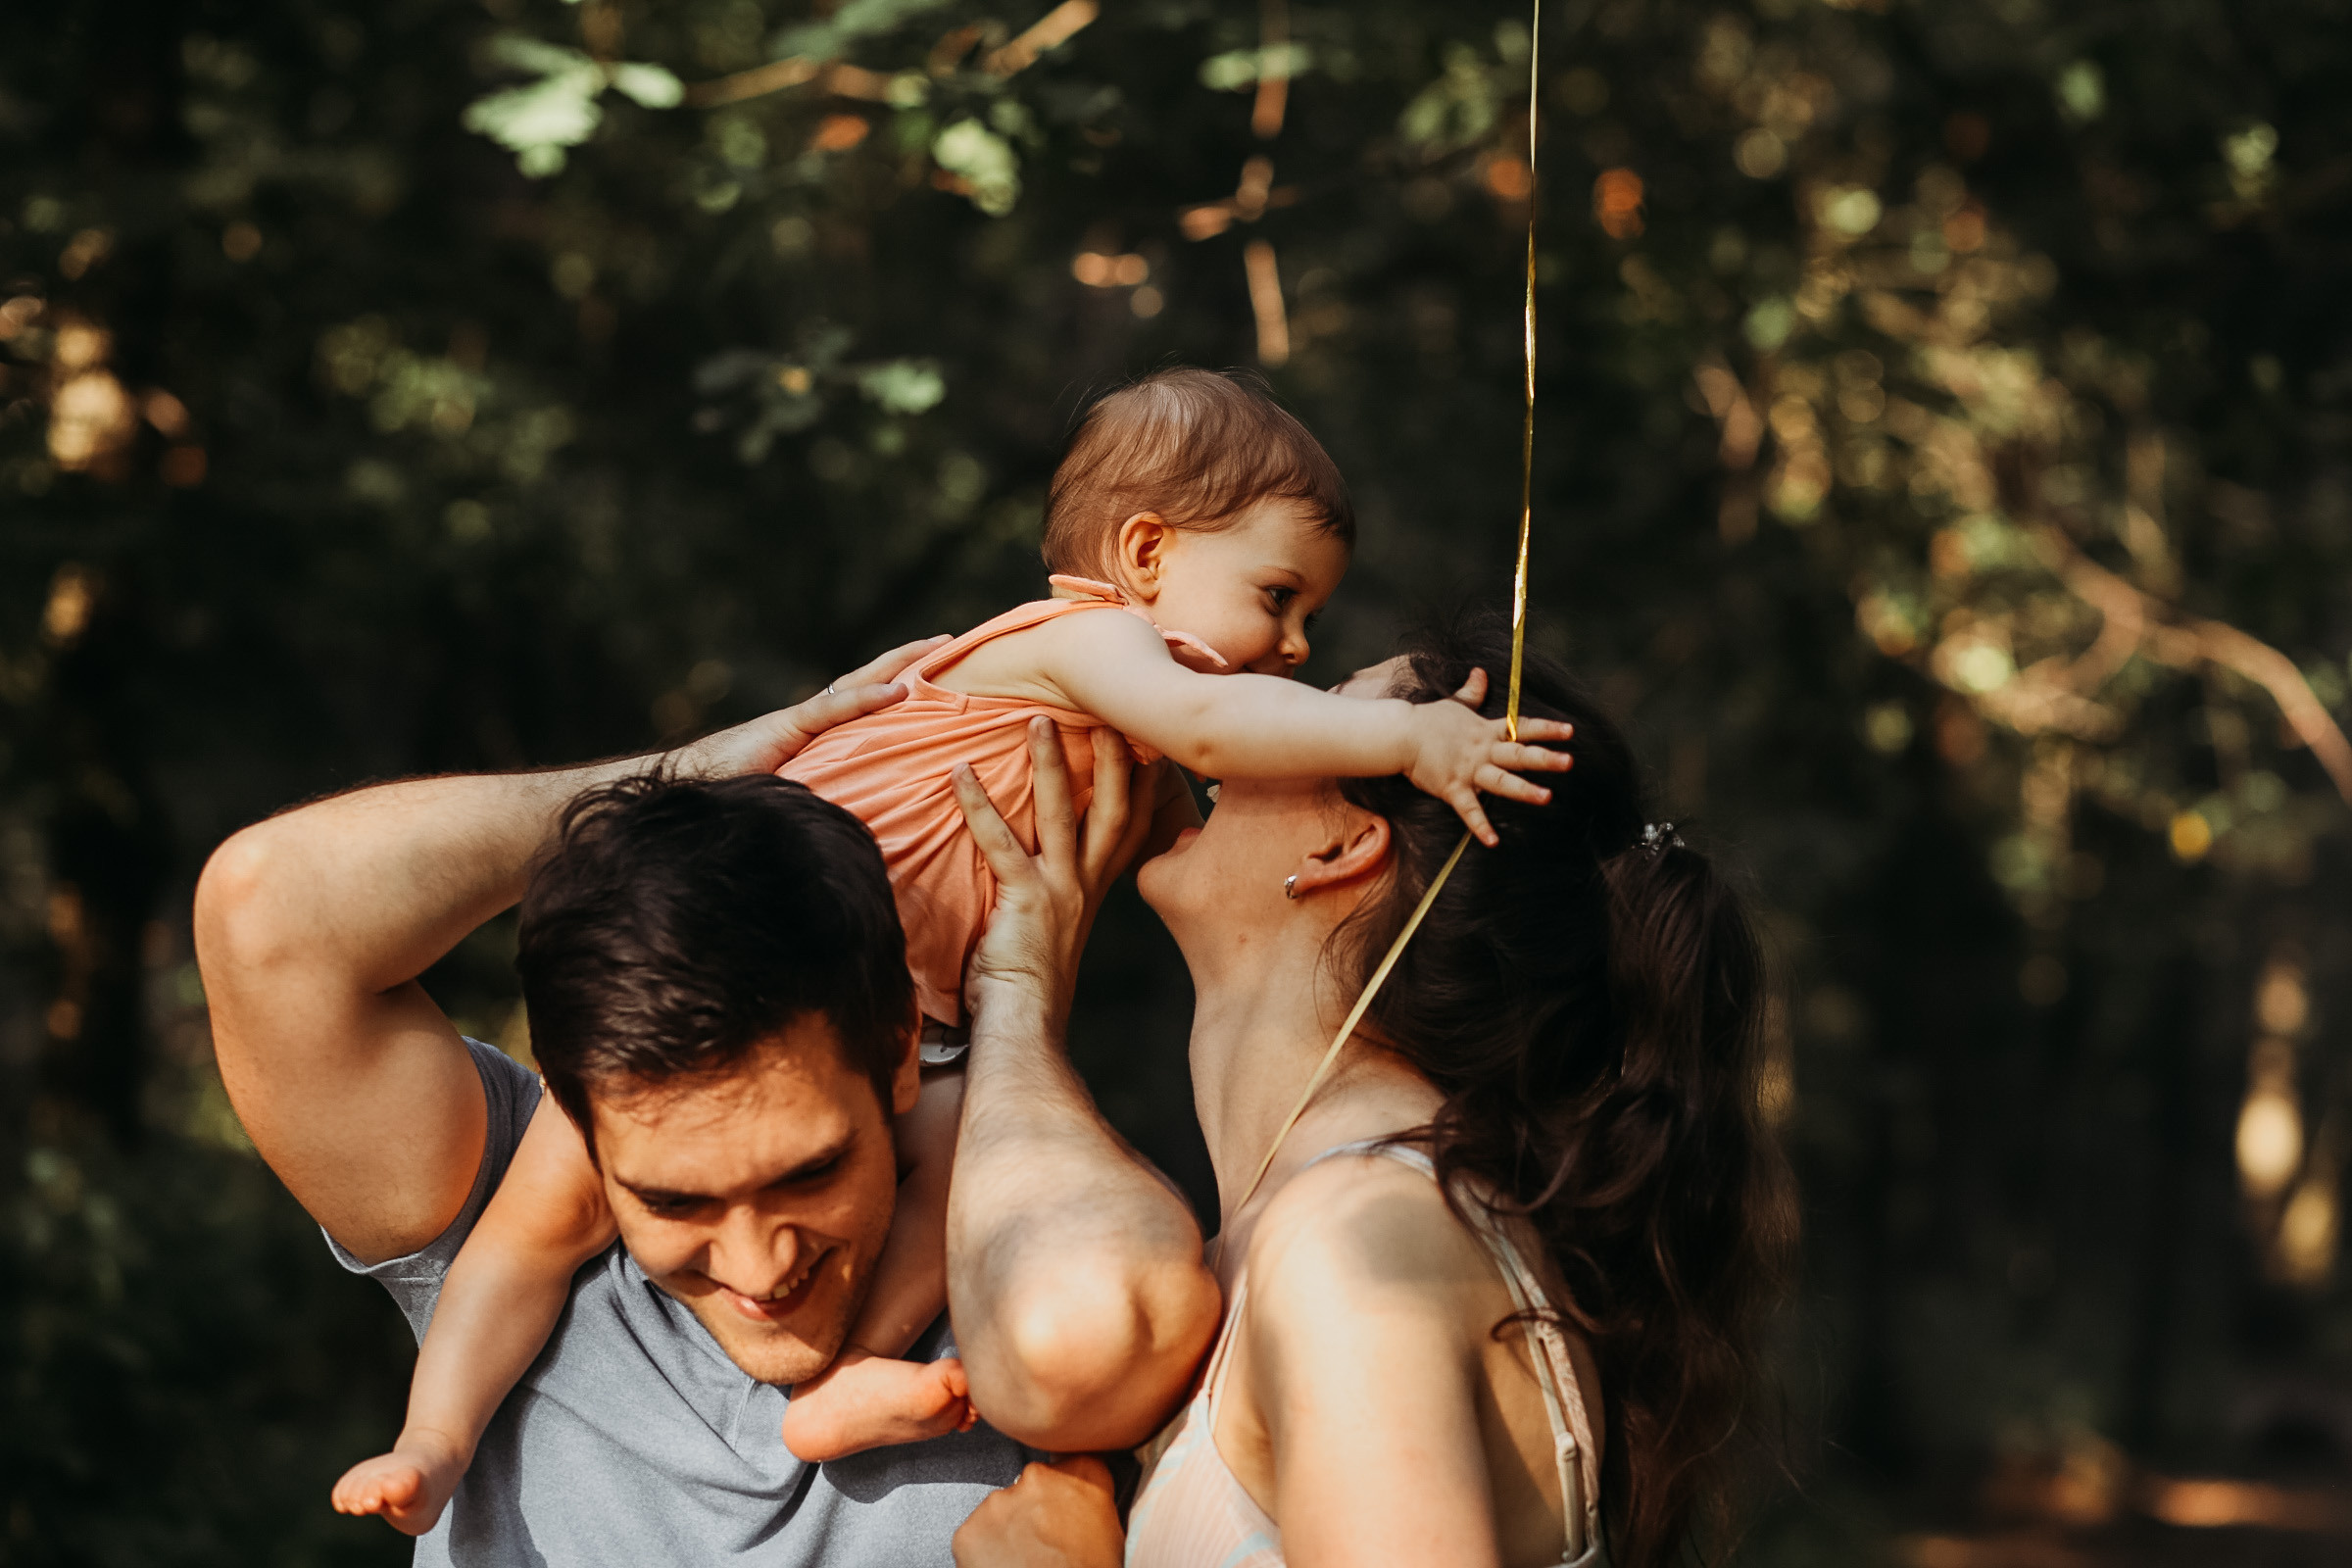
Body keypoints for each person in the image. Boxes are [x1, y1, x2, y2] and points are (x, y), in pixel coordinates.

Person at [334, 364, 1580, 1529]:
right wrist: (1411, 746)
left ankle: (834, 1393)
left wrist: (1029, 987)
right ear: (1145, 553)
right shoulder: (1087, 641)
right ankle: (435, 1437)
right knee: (524, 1231)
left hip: (900, 1015)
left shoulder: (1346, 1219)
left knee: (950, 1170)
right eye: (1279, 598)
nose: (1297, 655)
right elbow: (1213, 724)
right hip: (732, 961)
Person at [195, 642, 1222, 1564]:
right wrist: (683, 786)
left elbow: (1112, 1323)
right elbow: (267, 907)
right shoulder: (505, 1218)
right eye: (676, 1203)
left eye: (811, 1171)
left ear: (905, 1054)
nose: (762, 1265)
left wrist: (1019, 1006)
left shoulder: (1028, 1281)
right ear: (579, 1122)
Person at [952, 616, 1795, 1568]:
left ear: (1344, 848)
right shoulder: (1304, 1233)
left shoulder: (1355, 1245)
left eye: (1312, 711)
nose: (1237, 711)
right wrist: (1016, 1000)